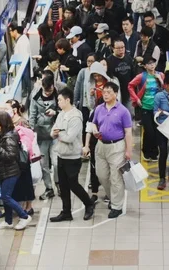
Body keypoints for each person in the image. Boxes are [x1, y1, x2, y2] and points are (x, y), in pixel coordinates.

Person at [50, 88, 96, 222]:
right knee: (63, 186)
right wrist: (55, 133)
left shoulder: (75, 116)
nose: (58, 102)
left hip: (72, 156)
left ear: (67, 100)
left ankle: (88, 204)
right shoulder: (61, 114)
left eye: (59, 100)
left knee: (73, 184)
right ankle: (66, 212)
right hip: (61, 155)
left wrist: (59, 134)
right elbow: (53, 130)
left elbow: (70, 137)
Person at [0, 112, 32, 230]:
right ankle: (8, 221)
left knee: (6, 197)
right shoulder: (5, 134)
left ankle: (24, 217)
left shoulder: (9, 137)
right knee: (6, 196)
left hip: (11, 172)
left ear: (1, 123)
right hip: (6, 171)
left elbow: (10, 155)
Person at [92, 82, 133, 218]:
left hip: (117, 147)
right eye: (104, 92)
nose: (106, 94)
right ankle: (112, 196)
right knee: (102, 175)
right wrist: (95, 132)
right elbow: (94, 124)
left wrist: (128, 150)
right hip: (101, 146)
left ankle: (117, 206)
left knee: (116, 177)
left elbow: (128, 132)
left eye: (109, 92)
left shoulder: (123, 111)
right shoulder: (99, 109)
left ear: (116, 93)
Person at [128, 56, 164, 161]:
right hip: (145, 107)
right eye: (149, 64)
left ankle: (154, 153)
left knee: (156, 130)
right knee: (149, 131)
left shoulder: (160, 75)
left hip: (158, 109)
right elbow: (130, 86)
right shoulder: (142, 76)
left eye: (153, 63)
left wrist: (161, 80)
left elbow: (165, 88)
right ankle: (146, 151)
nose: (152, 65)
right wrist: (136, 98)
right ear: (145, 66)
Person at [29, 76, 59, 200]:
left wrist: (55, 112)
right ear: (42, 87)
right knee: (43, 164)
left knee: (56, 162)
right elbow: (32, 114)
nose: (48, 93)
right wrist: (31, 132)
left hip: (56, 133)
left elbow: (65, 110)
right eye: (46, 91)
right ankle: (49, 188)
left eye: (50, 91)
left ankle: (59, 184)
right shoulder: (35, 97)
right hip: (41, 135)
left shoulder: (59, 94)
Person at [106, 38, 135, 112]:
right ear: (112, 48)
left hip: (128, 92)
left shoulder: (128, 58)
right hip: (116, 93)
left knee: (130, 114)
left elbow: (133, 75)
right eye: (118, 48)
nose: (121, 50)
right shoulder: (109, 60)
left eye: (123, 47)